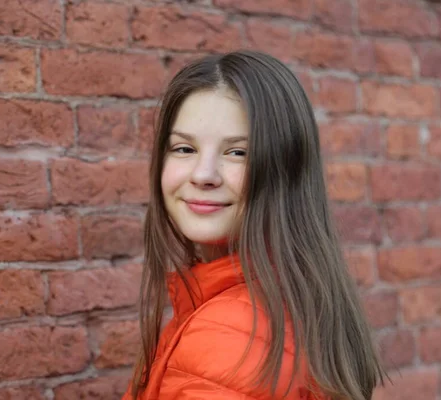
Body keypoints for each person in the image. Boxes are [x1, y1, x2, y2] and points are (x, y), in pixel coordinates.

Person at [122, 50, 384, 400]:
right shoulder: (301, 295)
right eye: (184, 149)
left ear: (285, 170)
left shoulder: (230, 336)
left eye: (238, 152)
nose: (203, 175)